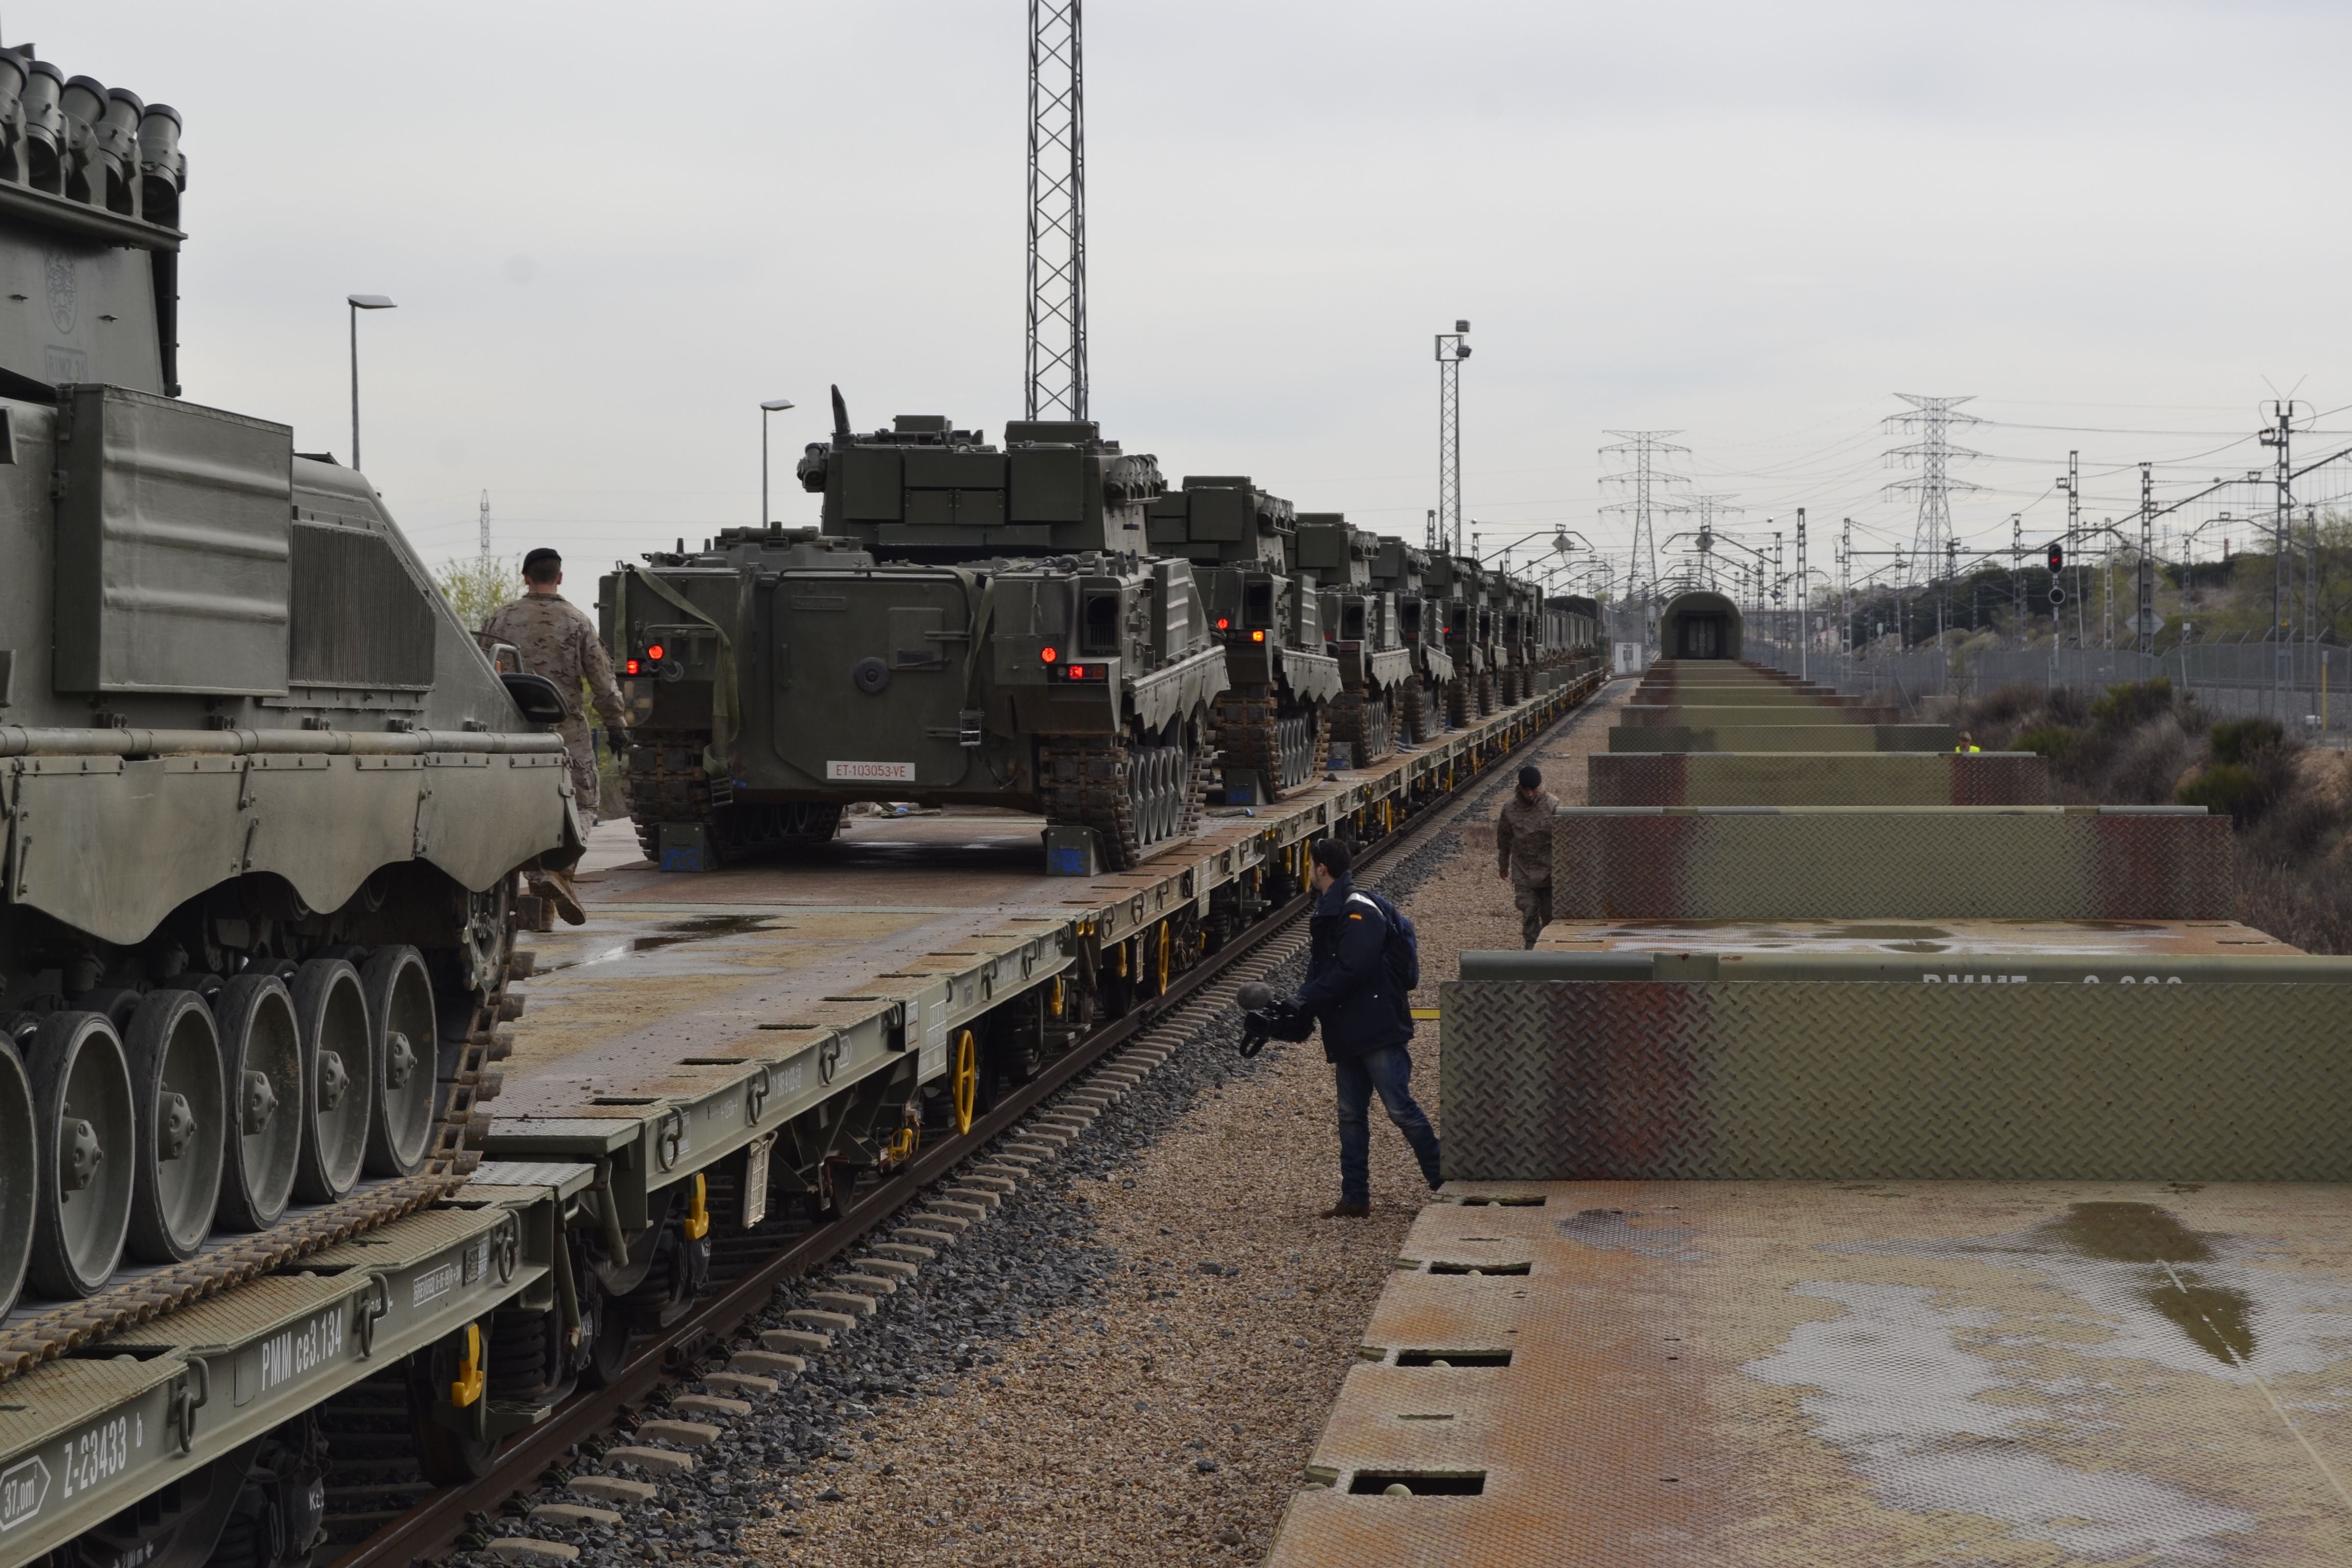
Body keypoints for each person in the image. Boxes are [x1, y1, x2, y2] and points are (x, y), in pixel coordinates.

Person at [1291, 839, 1441, 1218]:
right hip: (1348, 1028)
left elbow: (1351, 969)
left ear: (1322, 869)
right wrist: (1302, 1001)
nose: (1309, 871)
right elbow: (1326, 966)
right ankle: (1355, 1197)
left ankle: (1445, 1183)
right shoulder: (1330, 908)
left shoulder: (1357, 910)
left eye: (1311, 865)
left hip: (1376, 1027)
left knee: (1400, 1109)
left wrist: (1308, 997)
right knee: (1351, 1116)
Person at [481, 548, 629, 827]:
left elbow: (478, 674)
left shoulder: (499, 620)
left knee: (516, 809)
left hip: (512, 734)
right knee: (582, 805)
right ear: (559, 577)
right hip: (567, 733)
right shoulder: (577, 621)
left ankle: (536, 870)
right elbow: (602, 681)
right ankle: (559, 868)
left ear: (526, 578)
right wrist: (616, 725)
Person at [1496, 764, 1561, 949]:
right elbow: (1504, 837)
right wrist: (1503, 864)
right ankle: (1531, 947)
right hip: (1523, 868)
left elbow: (1565, 840)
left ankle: (1549, 947)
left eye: (1534, 789)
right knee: (1529, 910)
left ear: (1541, 786)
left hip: (1549, 870)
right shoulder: (1510, 808)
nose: (1530, 794)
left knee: (1550, 913)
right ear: (1520, 788)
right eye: (1527, 790)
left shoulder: (1553, 806)